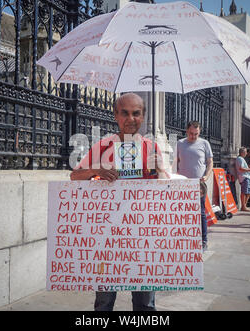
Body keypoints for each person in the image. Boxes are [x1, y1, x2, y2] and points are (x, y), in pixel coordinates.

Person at [70, 93, 167, 311]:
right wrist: (97, 170)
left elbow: (166, 189)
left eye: (136, 113)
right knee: (104, 302)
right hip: (109, 239)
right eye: (125, 113)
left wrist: (160, 171)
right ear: (115, 115)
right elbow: (74, 176)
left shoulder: (151, 148)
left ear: (143, 116)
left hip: (143, 237)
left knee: (145, 303)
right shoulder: (103, 146)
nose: (130, 119)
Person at [177, 121, 213, 252]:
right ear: (187, 131)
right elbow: (175, 162)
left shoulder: (204, 143)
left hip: (199, 184)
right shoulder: (180, 144)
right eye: (191, 134)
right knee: (183, 212)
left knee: (201, 212)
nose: (193, 136)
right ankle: (185, 238)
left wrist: (207, 175)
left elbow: (210, 162)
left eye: (196, 134)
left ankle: (203, 240)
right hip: (183, 184)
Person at [235, 147, 250, 212]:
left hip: (246, 177)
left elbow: (242, 168)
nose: (246, 153)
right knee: (244, 192)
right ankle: (243, 206)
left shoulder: (241, 159)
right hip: (244, 177)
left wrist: (249, 168)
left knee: (248, 192)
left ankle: (244, 206)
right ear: (242, 152)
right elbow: (241, 168)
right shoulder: (240, 159)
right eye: (245, 152)